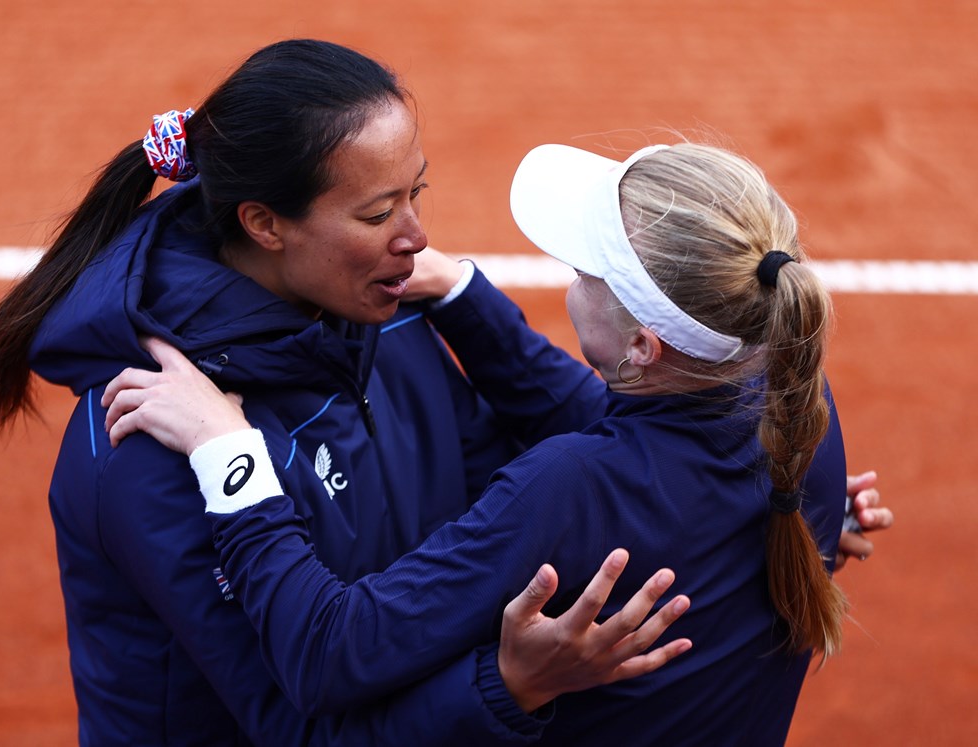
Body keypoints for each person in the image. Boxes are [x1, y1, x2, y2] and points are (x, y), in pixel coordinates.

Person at [0, 39, 691, 746]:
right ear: (264, 223)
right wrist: (507, 687)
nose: (417, 237)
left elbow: (541, 481)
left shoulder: (387, 317)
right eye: (379, 215)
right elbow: (299, 729)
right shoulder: (146, 436)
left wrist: (468, 299)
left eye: (418, 192)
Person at [104, 140, 861, 745]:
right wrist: (458, 292)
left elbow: (331, 652)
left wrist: (230, 455)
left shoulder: (570, 486)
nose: (569, 279)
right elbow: (594, 411)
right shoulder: (802, 430)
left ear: (642, 347)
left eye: (584, 273)